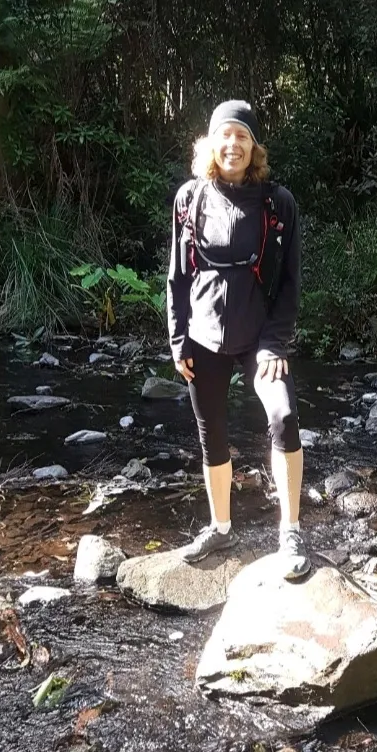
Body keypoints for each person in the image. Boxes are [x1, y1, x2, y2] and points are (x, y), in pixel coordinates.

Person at [166, 99, 310, 579]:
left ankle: (290, 532)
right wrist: (177, 339)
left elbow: (289, 281)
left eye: (242, 136)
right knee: (213, 433)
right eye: (224, 135)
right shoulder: (189, 198)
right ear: (210, 143)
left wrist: (276, 343)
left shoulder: (278, 203)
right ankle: (220, 527)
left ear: (254, 147)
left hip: (260, 339)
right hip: (202, 337)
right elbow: (177, 277)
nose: (233, 144)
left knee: (284, 416)